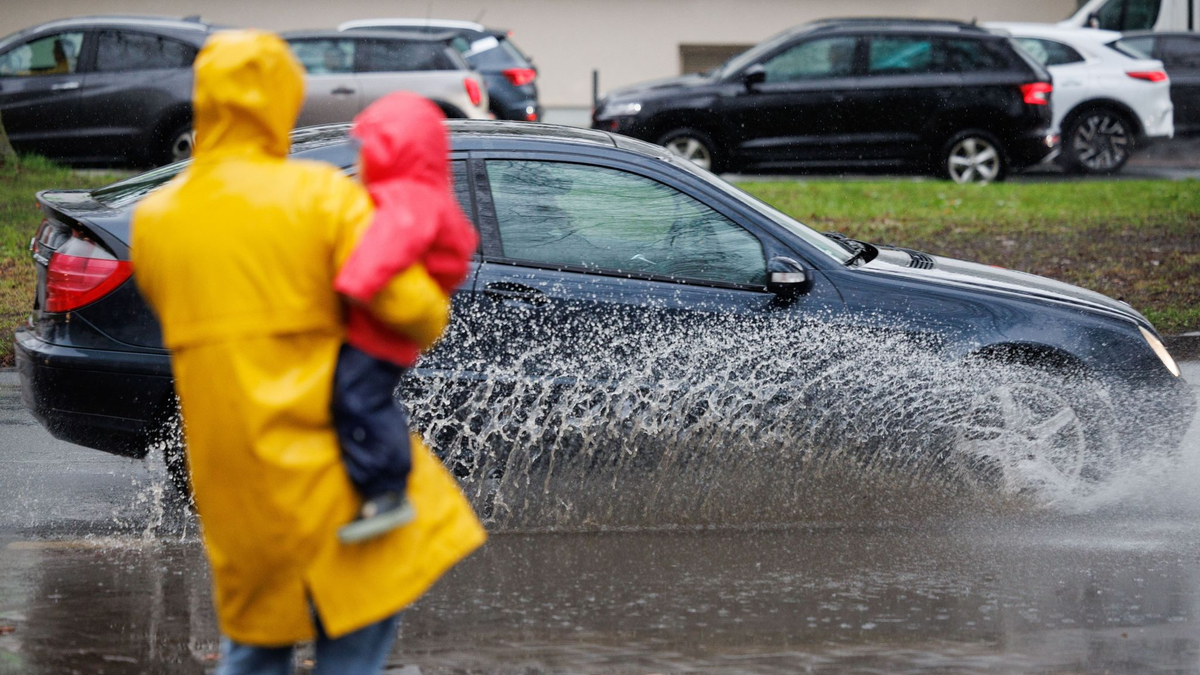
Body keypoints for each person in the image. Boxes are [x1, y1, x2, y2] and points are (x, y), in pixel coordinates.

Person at [130, 30, 485, 675]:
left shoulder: (154, 221)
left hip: (231, 476)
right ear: (281, 100)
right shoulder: (319, 198)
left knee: (257, 643)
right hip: (329, 471)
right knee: (353, 632)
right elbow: (414, 312)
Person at [331, 92, 479, 544]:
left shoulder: (407, 196)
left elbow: (388, 245)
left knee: (360, 399)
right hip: (387, 328)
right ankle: (377, 488)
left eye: (368, 146)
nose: (361, 157)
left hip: (380, 330)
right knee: (358, 398)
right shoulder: (421, 191)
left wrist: (353, 282)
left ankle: (388, 489)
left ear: (392, 147)